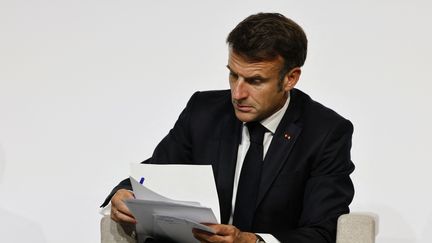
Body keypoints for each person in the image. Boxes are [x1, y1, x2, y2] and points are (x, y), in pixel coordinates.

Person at [101, 12, 355, 243]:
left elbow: (323, 232)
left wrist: (250, 241)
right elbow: (156, 173)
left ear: (290, 78)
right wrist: (123, 193)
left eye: (255, 80)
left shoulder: (326, 133)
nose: (237, 93)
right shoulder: (204, 111)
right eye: (233, 74)